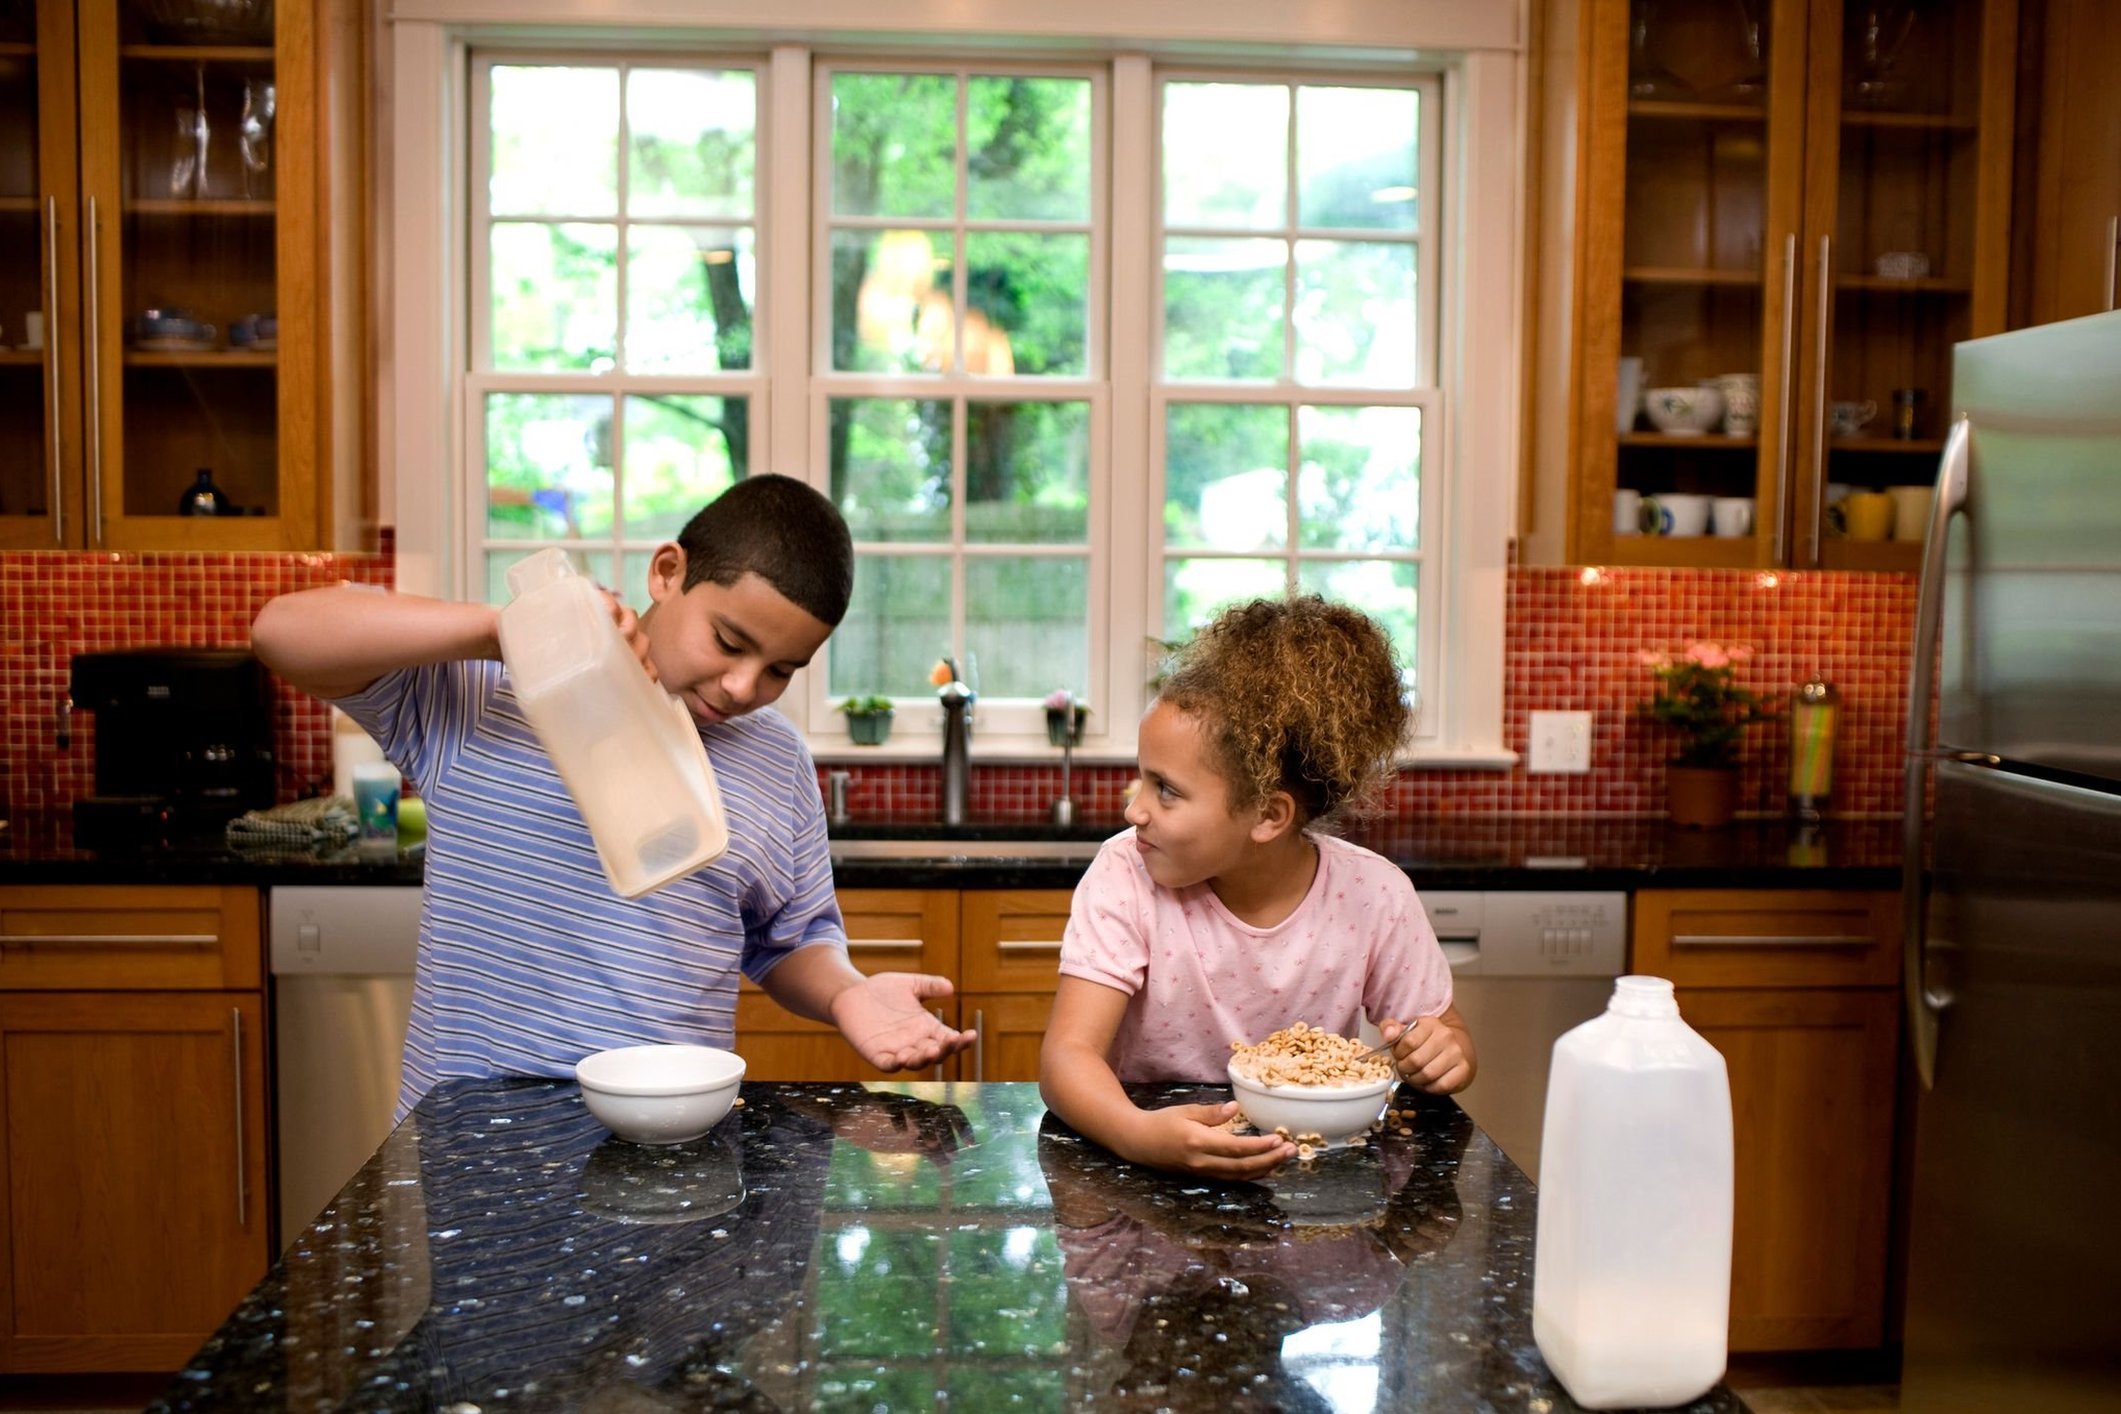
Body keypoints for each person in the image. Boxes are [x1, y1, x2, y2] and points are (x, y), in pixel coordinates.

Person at [251, 474, 974, 1117]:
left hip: (671, 1135)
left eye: (781, 670)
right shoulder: (485, 698)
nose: (743, 687)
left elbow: (789, 939)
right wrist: (506, 630)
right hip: (473, 1136)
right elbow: (280, 632)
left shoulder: (774, 757)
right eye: (728, 641)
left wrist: (847, 992)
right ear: (667, 572)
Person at [1039, 595, 1476, 1177]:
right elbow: (1067, 1056)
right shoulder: (1126, 874)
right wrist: (1138, 1135)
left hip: (1314, 1169)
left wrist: (1442, 1057)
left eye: (1165, 790)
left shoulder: (1374, 895)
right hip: (1146, 1153)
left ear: (1267, 816)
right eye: (1140, 780)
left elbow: (1447, 1036)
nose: (1136, 811)